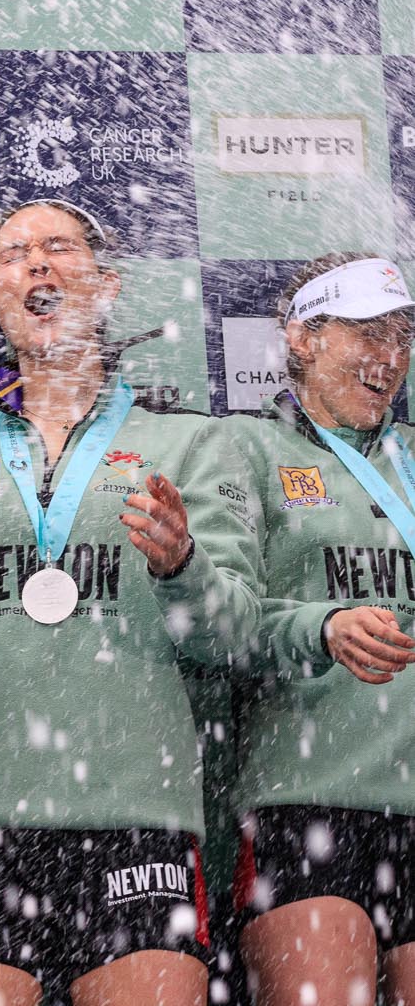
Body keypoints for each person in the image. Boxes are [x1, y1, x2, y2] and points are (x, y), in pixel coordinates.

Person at [0, 199, 262, 1006]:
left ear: (108, 284)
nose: (39, 265)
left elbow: (232, 638)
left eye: (59, 249)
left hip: (134, 807)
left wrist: (182, 564)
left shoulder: (189, 443)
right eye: (16, 255)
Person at [224, 253, 415, 1006]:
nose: (390, 358)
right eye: (367, 332)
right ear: (302, 338)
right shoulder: (247, 449)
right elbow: (214, 621)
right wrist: (320, 624)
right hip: (310, 796)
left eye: (402, 336)